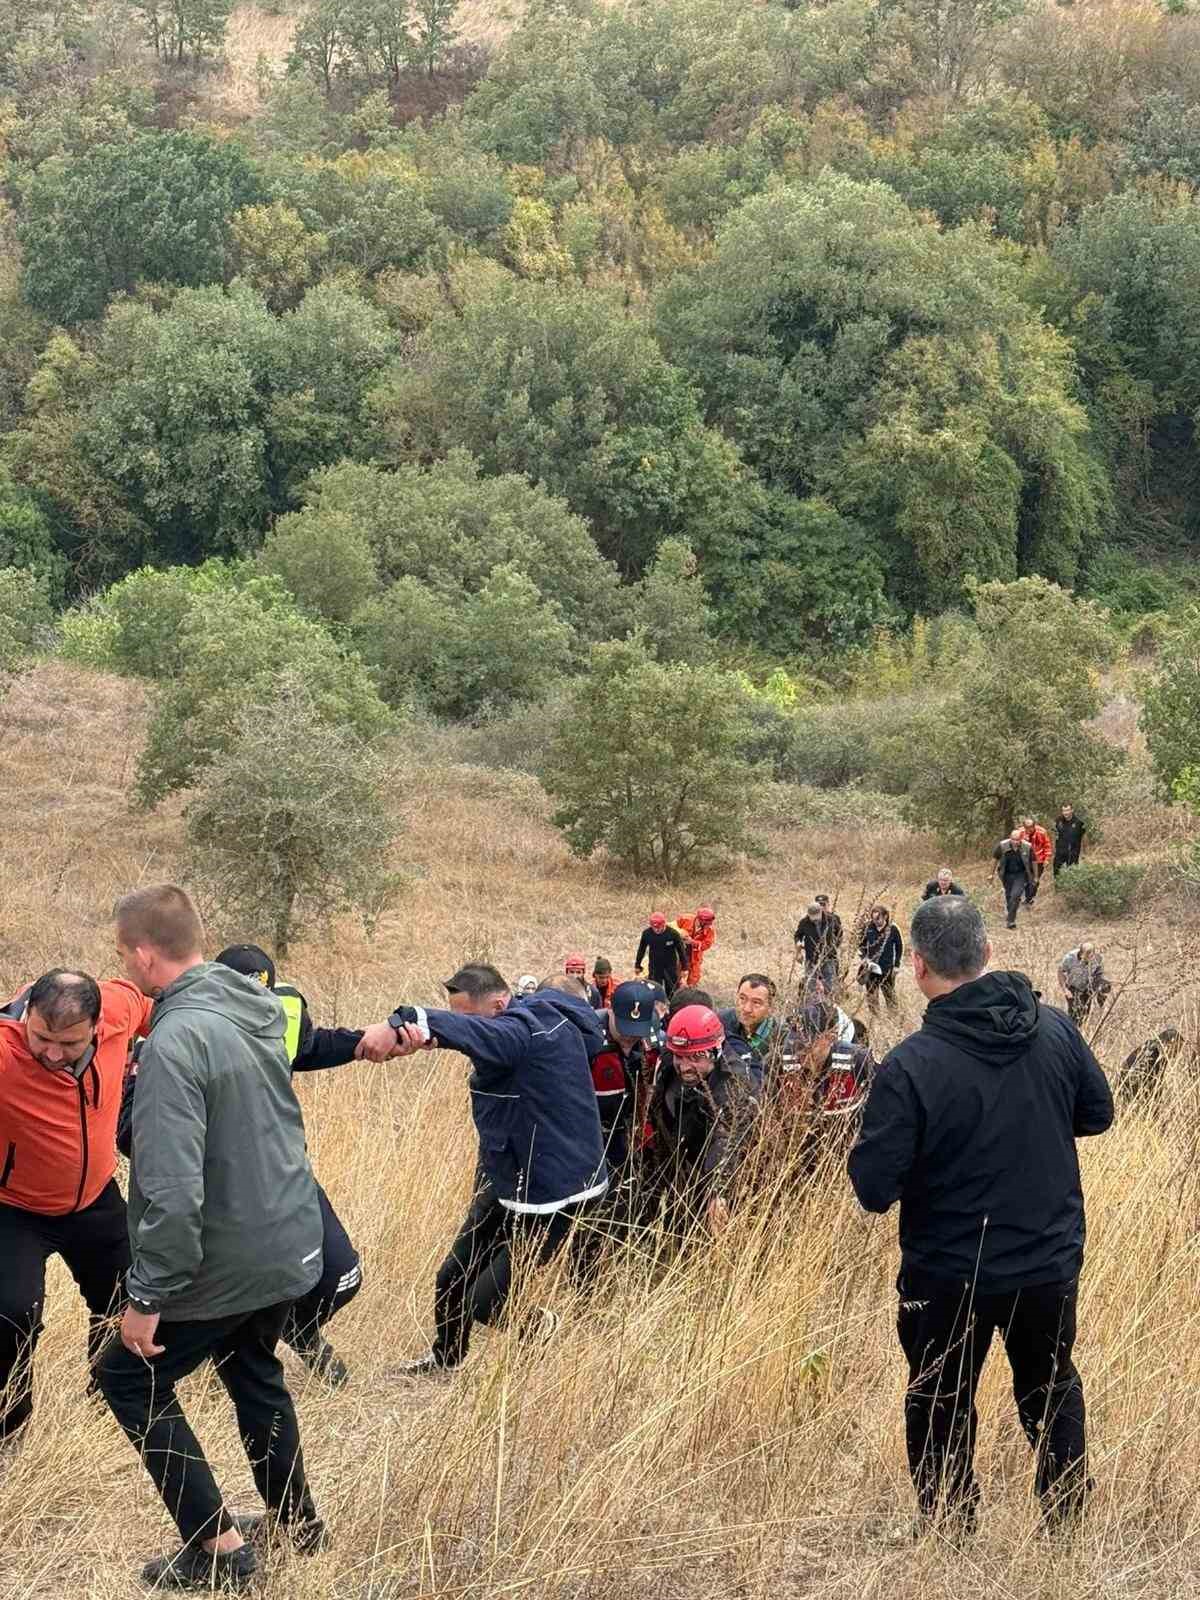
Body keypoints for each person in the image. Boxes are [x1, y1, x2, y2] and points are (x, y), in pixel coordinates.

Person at [848, 896, 1113, 1537]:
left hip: (947, 1274)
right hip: (1046, 1263)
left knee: (940, 1399)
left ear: (916, 966)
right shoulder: (1054, 1030)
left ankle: (948, 1531)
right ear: (988, 952)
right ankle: (1066, 1523)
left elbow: (873, 1187)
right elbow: (1096, 1113)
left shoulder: (911, 1065)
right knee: (1050, 1389)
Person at [98, 886, 324, 1592]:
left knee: (126, 1377)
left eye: (122, 954)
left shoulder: (177, 1037)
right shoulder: (253, 1007)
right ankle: (299, 1523)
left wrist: (148, 1293)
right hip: (286, 1236)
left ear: (141, 953)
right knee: (253, 1370)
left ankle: (217, 1551)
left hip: (227, 1254)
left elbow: (169, 1185)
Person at [117, 941, 366, 1390]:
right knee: (230, 1366)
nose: (257, 1000)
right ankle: (231, 1347)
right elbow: (142, 1144)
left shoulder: (276, 1014)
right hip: (216, 1193)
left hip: (280, 1177)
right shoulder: (171, 1036)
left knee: (341, 1274)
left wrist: (364, 1042)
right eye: (247, 990)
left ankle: (296, 1331)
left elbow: (310, 1047)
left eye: (263, 992)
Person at [357, 964, 607, 1374]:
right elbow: (479, 1041)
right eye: (456, 1016)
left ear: (499, 1004)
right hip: (508, 1177)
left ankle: (541, 1327)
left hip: (555, 1192)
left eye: (468, 1018)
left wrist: (405, 1020)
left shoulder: (521, 1032)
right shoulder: (513, 1027)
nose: (465, 1027)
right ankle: (446, 1360)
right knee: (450, 1278)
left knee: (486, 1303)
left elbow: (485, 1035)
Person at [0, 969, 153, 1444]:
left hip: (95, 1201)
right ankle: (9, 1430)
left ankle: (111, 1402)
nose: (50, 1052)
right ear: (27, 1014)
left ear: (95, 1026)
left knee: (128, 1298)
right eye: (41, 1036)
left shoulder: (119, 1009)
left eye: (67, 1044)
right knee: (11, 1314)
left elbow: (160, 1007)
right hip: (14, 1208)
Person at [641, 1005, 761, 1239]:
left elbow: (726, 1140)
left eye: (696, 1058)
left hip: (714, 1166)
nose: (685, 1067)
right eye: (680, 1057)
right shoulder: (669, 1059)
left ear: (716, 1051)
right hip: (675, 1156)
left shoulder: (734, 1083)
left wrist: (718, 1192)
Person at [720, 974, 780, 1067]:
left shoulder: (781, 1038)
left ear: (771, 1008)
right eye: (742, 998)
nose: (747, 1009)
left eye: (756, 1002)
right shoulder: (722, 1022)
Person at [1118, 1027, 1189, 1103]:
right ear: (1169, 1043)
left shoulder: (1154, 1050)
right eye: (1176, 1048)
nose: (1177, 1053)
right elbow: (1137, 1080)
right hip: (1132, 1097)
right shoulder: (1152, 1053)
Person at [857, 905, 903, 1013]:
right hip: (871, 967)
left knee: (889, 994)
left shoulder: (893, 928)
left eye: (878, 918)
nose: (875, 921)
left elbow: (899, 947)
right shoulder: (868, 927)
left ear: (885, 916)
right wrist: (864, 958)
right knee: (871, 995)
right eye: (873, 919)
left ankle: (893, 1017)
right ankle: (874, 1018)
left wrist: (896, 965)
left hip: (887, 968)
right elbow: (860, 945)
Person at [1057, 944, 1112, 1029]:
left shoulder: (1098, 958)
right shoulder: (1070, 958)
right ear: (1081, 953)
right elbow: (1061, 972)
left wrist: (1100, 989)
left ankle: (1099, 1010)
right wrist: (1065, 990)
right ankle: (1072, 1031)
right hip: (1073, 987)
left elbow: (1099, 974)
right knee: (1077, 1014)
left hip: (1088, 987)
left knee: (1085, 1013)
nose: (1089, 961)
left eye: (1091, 957)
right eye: (1086, 958)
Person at [634, 912, 687, 998]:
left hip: (670, 967)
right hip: (654, 967)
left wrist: (685, 968)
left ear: (664, 924)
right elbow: (641, 950)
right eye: (654, 928)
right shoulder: (647, 934)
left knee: (672, 991)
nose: (657, 930)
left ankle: (671, 1007)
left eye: (659, 927)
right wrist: (637, 965)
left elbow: (681, 951)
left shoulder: (673, 934)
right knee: (653, 990)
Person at [794, 902, 842, 993]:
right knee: (811, 985)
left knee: (829, 986)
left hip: (828, 958)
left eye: (816, 917)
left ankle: (828, 1004)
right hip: (811, 959)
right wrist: (798, 945)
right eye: (812, 917)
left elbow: (839, 933)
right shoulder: (804, 922)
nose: (815, 920)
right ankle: (813, 1004)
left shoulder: (831, 920)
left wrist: (834, 946)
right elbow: (797, 935)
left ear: (821, 912)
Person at [993, 828, 1035, 929]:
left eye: (1017, 840)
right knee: (1009, 895)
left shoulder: (1027, 847)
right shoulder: (1002, 845)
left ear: (1021, 839)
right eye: (1013, 839)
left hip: (1020, 874)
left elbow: (1034, 861)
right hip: (1006, 874)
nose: (1015, 842)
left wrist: (1035, 876)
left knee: (1015, 896)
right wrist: (991, 874)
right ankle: (1010, 913)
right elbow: (995, 859)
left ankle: (1011, 920)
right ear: (1010, 838)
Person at [675, 906, 717, 987]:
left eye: (709, 924)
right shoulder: (685, 919)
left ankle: (689, 992)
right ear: (700, 920)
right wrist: (680, 934)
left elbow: (706, 945)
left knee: (693, 979)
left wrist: (692, 942)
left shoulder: (710, 931)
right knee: (674, 974)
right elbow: (671, 926)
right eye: (707, 924)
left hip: (694, 956)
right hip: (678, 951)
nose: (708, 926)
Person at [1020, 815, 1053, 904]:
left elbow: (1047, 846)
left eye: (1030, 827)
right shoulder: (1021, 832)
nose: (1029, 829)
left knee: (1035, 880)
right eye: (1026, 827)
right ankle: (1025, 898)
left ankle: (1030, 898)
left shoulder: (1042, 832)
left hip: (1039, 860)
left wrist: (1047, 859)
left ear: (1034, 826)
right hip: (1025, 861)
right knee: (1025, 879)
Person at [1054, 805, 1086, 879]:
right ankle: (1058, 888)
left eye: (1067, 810)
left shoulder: (1079, 822)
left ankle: (1070, 889)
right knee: (1057, 872)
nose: (1066, 813)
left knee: (1072, 873)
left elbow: (1084, 837)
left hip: (1073, 852)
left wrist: (1083, 852)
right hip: (1060, 851)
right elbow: (1055, 834)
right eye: (1064, 811)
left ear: (1072, 810)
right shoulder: (1058, 820)